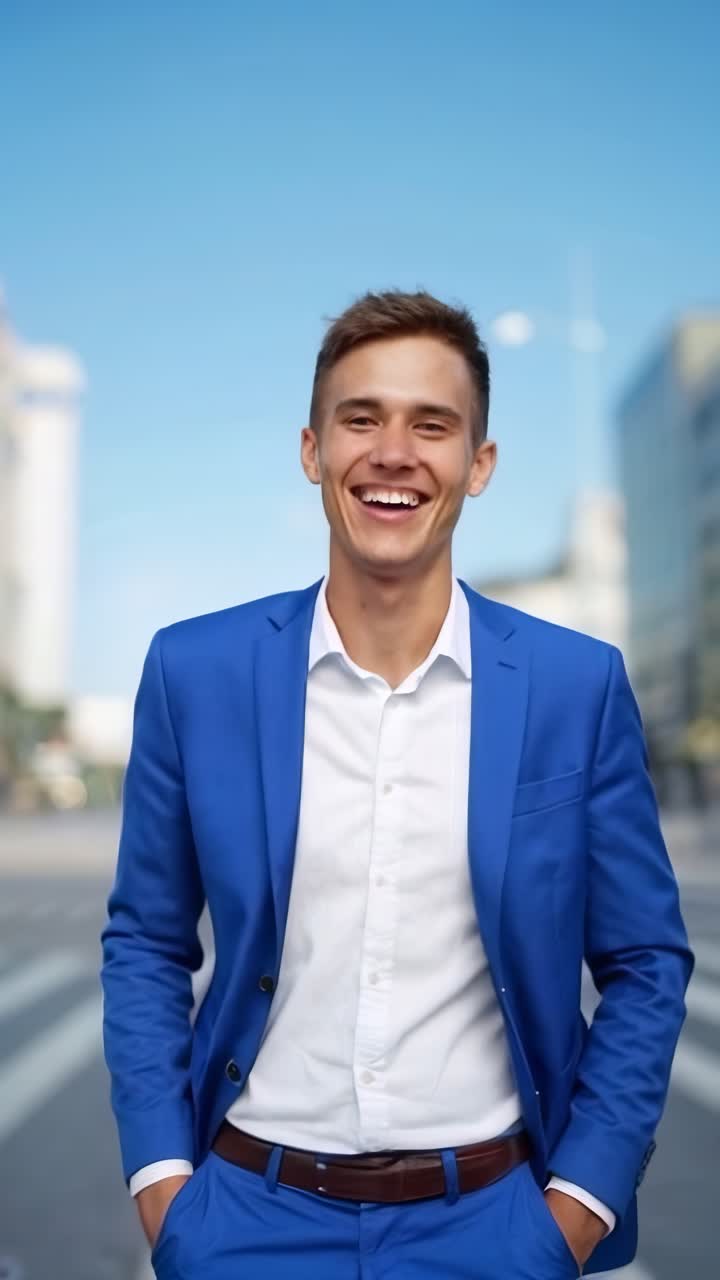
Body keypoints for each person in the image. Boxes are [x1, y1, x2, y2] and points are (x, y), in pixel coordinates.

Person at [100, 289, 693, 1279]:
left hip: (493, 1229)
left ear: (479, 463)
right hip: (244, 1220)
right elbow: (146, 939)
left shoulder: (574, 686)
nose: (393, 452)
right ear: (312, 450)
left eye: (433, 424)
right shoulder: (193, 671)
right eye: (361, 418)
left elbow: (645, 958)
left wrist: (577, 1206)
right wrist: (166, 1186)